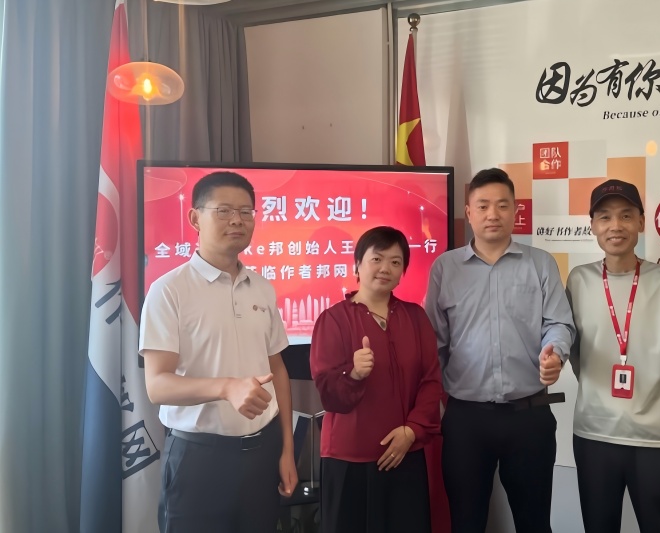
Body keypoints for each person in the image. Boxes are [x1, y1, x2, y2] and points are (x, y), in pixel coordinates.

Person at [139, 171, 297, 532]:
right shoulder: (169, 291)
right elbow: (157, 386)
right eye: (223, 210)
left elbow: (278, 369)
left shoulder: (262, 288)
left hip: (262, 454)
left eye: (246, 212)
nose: (237, 220)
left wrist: (287, 450)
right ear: (195, 218)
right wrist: (227, 387)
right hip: (198, 459)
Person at [425, 168, 576, 533]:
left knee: (534, 522)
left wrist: (555, 353)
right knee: (466, 522)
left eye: (502, 205)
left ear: (515, 211)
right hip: (466, 420)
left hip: (529, 416)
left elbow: (559, 322)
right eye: (483, 206)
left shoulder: (540, 263)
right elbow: (434, 341)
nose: (493, 214)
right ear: (469, 212)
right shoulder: (445, 268)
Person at [566, 179, 660, 532]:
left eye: (626, 215)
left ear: (641, 222)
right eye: (605, 217)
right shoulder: (578, 280)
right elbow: (571, 349)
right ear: (592, 225)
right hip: (594, 434)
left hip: (655, 437)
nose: (616, 225)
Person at [310, 226, 443, 533]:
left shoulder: (415, 317)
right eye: (377, 259)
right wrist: (354, 374)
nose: (385, 268)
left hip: (405, 452)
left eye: (396, 262)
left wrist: (412, 431)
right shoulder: (334, 319)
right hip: (349, 459)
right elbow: (329, 394)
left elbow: (431, 381)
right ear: (357, 264)